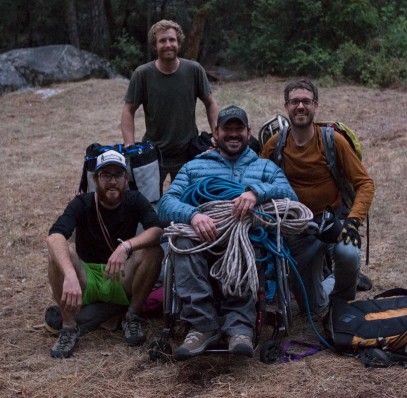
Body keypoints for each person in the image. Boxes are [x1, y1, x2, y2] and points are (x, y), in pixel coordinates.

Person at [157, 105, 297, 360]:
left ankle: (240, 327)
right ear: (216, 133)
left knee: (243, 238)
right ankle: (202, 325)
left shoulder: (264, 168)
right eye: (227, 129)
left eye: (239, 129)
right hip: (203, 238)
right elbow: (166, 205)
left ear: (248, 132)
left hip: (247, 237)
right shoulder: (193, 168)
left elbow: (291, 195)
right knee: (183, 241)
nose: (233, 134)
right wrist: (193, 215)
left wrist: (256, 193)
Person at [260, 79, 375, 317]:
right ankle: (338, 282)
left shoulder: (334, 141)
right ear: (286, 106)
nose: (300, 106)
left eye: (306, 101)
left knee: (348, 253)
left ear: (316, 106)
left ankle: (342, 306)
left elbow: (365, 183)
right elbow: (259, 181)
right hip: (298, 229)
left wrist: (353, 221)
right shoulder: (275, 145)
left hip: (334, 221)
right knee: (312, 309)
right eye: (294, 102)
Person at [46, 150, 163, 358]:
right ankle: (69, 326)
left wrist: (126, 246)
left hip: (119, 275)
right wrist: (70, 275)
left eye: (118, 175)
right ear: (95, 179)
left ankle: (131, 316)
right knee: (60, 254)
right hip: (86, 279)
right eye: (106, 175)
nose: (112, 181)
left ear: (126, 179)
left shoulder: (135, 200)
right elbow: (54, 236)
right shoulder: (83, 203)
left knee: (152, 251)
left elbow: (157, 231)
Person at [121, 19, 219, 192]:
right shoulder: (142, 74)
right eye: (162, 41)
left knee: (187, 203)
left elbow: (210, 102)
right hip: (153, 154)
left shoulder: (194, 70)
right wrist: (130, 145)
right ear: (154, 45)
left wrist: (217, 133)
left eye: (172, 40)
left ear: (179, 43)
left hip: (187, 153)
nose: (168, 45)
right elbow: (128, 110)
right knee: (149, 203)